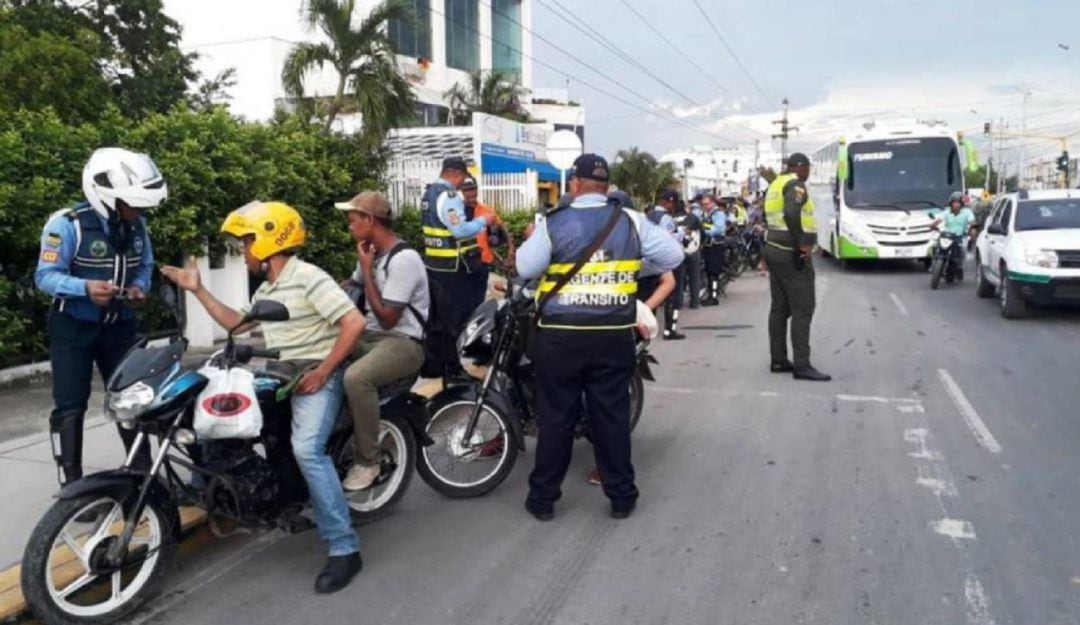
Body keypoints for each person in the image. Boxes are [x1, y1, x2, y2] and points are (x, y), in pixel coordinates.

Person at [162, 202, 365, 593]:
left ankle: (344, 547)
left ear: (269, 240)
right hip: (279, 373)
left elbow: (353, 322)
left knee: (307, 449)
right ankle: (262, 496)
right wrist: (198, 289)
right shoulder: (269, 287)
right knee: (214, 415)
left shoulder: (308, 277)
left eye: (246, 243)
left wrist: (323, 371)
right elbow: (236, 323)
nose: (243, 252)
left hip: (317, 373)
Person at [515, 154, 683, 521]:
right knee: (611, 417)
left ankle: (543, 500)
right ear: (606, 187)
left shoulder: (553, 222)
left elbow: (524, 267)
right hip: (612, 336)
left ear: (574, 184)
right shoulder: (631, 220)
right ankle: (621, 498)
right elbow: (674, 255)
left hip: (561, 337)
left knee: (556, 418)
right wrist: (637, 263)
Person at [34, 147, 163, 486]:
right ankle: (72, 484)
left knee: (130, 399)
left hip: (119, 327)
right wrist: (84, 288)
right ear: (107, 198)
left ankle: (142, 475)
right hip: (73, 326)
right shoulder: (67, 225)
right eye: (133, 204)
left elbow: (145, 265)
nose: (139, 211)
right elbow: (44, 276)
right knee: (70, 405)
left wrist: (138, 286)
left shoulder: (137, 226)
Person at [335, 192, 428, 491]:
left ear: (370, 220)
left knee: (356, 378)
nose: (349, 226)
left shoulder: (404, 260)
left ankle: (368, 462)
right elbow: (349, 285)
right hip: (369, 336)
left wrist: (366, 270)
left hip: (402, 343)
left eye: (353, 220)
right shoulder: (373, 253)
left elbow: (388, 318)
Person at [763, 153, 831, 382]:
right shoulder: (796, 185)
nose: (808, 171)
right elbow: (792, 212)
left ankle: (778, 360)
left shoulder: (775, 184)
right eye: (807, 167)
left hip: (773, 248)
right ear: (799, 167)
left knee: (780, 308)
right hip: (790, 252)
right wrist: (800, 241)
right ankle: (802, 365)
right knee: (803, 308)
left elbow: (767, 216)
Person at [421, 157, 489, 376]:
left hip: (435, 267)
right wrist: (483, 221)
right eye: (463, 178)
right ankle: (453, 366)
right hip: (455, 268)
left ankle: (444, 364)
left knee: (441, 320)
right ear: (456, 173)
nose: (462, 183)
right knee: (458, 318)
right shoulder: (449, 196)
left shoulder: (428, 194)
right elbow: (460, 230)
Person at [648, 189, 687, 340]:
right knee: (672, 296)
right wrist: (682, 235)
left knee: (652, 294)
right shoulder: (666, 218)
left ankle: (648, 329)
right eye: (674, 203)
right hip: (666, 262)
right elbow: (667, 239)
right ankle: (669, 330)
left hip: (649, 262)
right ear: (669, 202)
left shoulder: (648, 215)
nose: (674, 207)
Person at [930, 191, 977, 262]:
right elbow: (938, 220)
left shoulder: (967, 212)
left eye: (958, 202)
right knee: (934, 245)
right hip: (947, 236)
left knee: (964, 254)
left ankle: (971, 249)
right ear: (951, 203)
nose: (956, 204)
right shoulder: (947, 212)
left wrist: (973, 224)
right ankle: (934, 261)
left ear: (961, 204)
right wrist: (933, 225)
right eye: (954, 202)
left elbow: (972, 221)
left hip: (960, 237)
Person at [675, 198, 703, 309]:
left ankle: (678, 303)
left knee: (679, 279)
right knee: (695, 277)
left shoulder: (671, 219)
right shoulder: (693, 217)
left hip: (678, 252)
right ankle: (695, 302)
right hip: (694, 251)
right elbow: (702, 232)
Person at [700, 194, 727, 306]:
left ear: (713, 203)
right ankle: (711, 295)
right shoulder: (705, 214)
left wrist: (704, 231)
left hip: (716, 245)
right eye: (703, 204)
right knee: (709, 271)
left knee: (713, 272)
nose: (705, 206)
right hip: (708, 246)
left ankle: (714, 297)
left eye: (707, 204)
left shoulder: (718, 214)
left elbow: (719, 230)